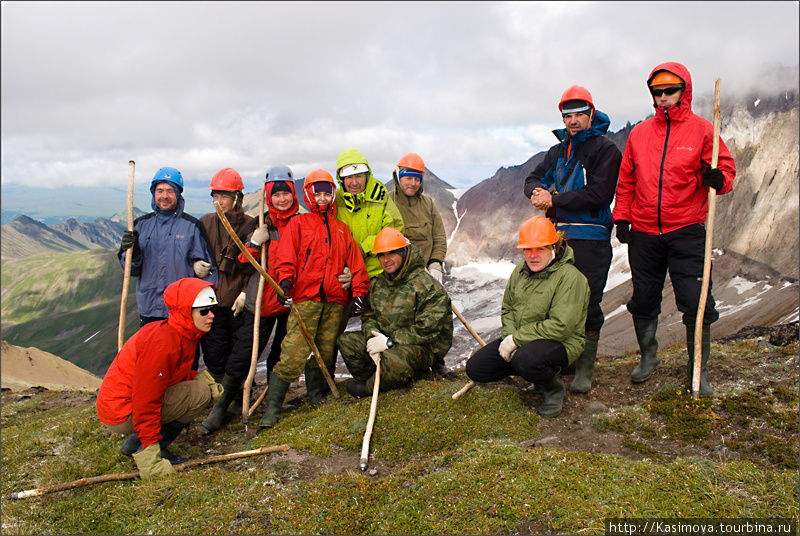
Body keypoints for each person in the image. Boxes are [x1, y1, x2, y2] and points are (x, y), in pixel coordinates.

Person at [613, 62, 736, 396]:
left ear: (685, 92)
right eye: (658, 92)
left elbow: (726, 169)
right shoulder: (639, 134)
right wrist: (621, 217)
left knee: (696, 300)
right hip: (644, 232)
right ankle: (649, 358)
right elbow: (627, 180)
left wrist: (719, 179)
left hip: (688, 229)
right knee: (645, 298)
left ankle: (699, 369)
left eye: (670, 91)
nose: (664, 97)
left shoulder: (703, 130)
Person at [523, 86, 622, 394]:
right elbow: (531, 178)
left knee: (588, 301)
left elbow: (599, 194)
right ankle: (565, 359)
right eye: (568, 115)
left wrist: (552, 200)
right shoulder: (557, 152)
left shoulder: (606, 150)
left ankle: (585, 367)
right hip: (559, 238)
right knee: (556, 303)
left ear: (592, 115)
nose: (573, 120)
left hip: (592, 237)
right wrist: (537, 193)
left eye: (580, 114)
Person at [259, 169, 369, 428]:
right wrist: (285, 282)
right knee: (294, 351)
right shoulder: (298, 224)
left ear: (333, 195)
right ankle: (273, 408)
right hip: (306, 299)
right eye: (316, 192)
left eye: (326, 193)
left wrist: (359, 293)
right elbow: (287, 258)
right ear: (308, 194)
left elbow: (356, 266)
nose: (322, 198)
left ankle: (315, 396)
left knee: (325, 351)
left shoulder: (342, 230)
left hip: (334, 301)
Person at [199, 166, 302, 433]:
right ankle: (222, 407)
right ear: (268, 196)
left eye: (286, 194)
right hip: (263, 298)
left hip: (293, 297)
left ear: (293, 194)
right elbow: (243, 263)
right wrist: (256, 243)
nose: (281, 199)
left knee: (281, 352)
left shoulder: (302, 223)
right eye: (275, 194)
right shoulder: (259, 223)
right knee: (244, 353)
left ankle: (272, 403)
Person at [96, 278, 224, 479]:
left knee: (200, 385)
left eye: (211, 309)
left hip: (122, 405)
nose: (211, 316)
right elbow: (145, 401)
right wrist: (151, 456)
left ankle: (133, 443)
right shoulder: (163, 345)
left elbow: (171, 377)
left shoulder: (182, 333)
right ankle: (152, 447)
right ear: (185, 310)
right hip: (122, 412)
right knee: (199, 393)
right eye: (204, 311)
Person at [465, 216, 589, 418]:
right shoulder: (519, 272)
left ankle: (552, 388)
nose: (533, 255)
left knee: (526, 359)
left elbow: (561, 326)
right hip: (524, 340)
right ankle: (532, 371)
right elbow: (508, 309)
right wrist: (510, 337)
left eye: (540, 248)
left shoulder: (570, 278)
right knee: (476, 368)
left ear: (554, 247)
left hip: (563, 342)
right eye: (528, 249)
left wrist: (516, 340)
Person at [338, 228, 453, 398]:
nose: (386, 260)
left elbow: (427, 330)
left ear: (404, 252)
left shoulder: (427, 285)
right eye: (381, 255)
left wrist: (390, 343)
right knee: (347, 342)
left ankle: (369, 388)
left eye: (391, 253)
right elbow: (369, 315)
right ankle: (378, 378)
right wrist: (372, 338)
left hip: (423, 347)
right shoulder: (378, 283)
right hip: (385, 340)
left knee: (393, 360)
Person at [195, 168, 255, 433]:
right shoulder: (205, 222)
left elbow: (256, 265)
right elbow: (194, 251)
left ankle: (234, 399)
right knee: (214, 353)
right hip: (211, 300)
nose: (220, 201)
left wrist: (245, 292)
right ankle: (224, 395)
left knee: (238, 352)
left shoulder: (251, 224)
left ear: (237, 198)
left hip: (238, 301)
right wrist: (196, 264)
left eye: (226, 196)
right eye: (216, 195)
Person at [119, 167, 217, 326]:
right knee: (151, 350)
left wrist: (204, 305)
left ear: (178, 194)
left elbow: (209, 272)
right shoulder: (140, 226)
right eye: (160, 190)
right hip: (149, 309)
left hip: (182, 310)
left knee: (184, 351)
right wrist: (134, 254)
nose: (164, 196)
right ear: (153, 193)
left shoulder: (192, 226)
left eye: (170, 191)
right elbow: (131, 270)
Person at [388, 152, 453, 378]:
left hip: (427, 273)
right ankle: (410, 365)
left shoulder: (429, 204)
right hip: (401, 276)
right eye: (408, 178)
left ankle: (437, 361)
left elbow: (439, 238)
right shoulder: (389, 202)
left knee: (439, 317)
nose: (413, 183)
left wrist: (436, 263)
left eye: (417, 179)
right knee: (407, 322)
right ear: (399, 177)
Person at [335, 148, 405, 282]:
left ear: (367, 176)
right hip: (344, 272)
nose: (354, 182)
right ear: (341, 179)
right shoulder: (335, 200)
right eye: (349, 177)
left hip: (377, 274)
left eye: (359, 176)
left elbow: (395, 230)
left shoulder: (380, 196)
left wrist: (364, 248)